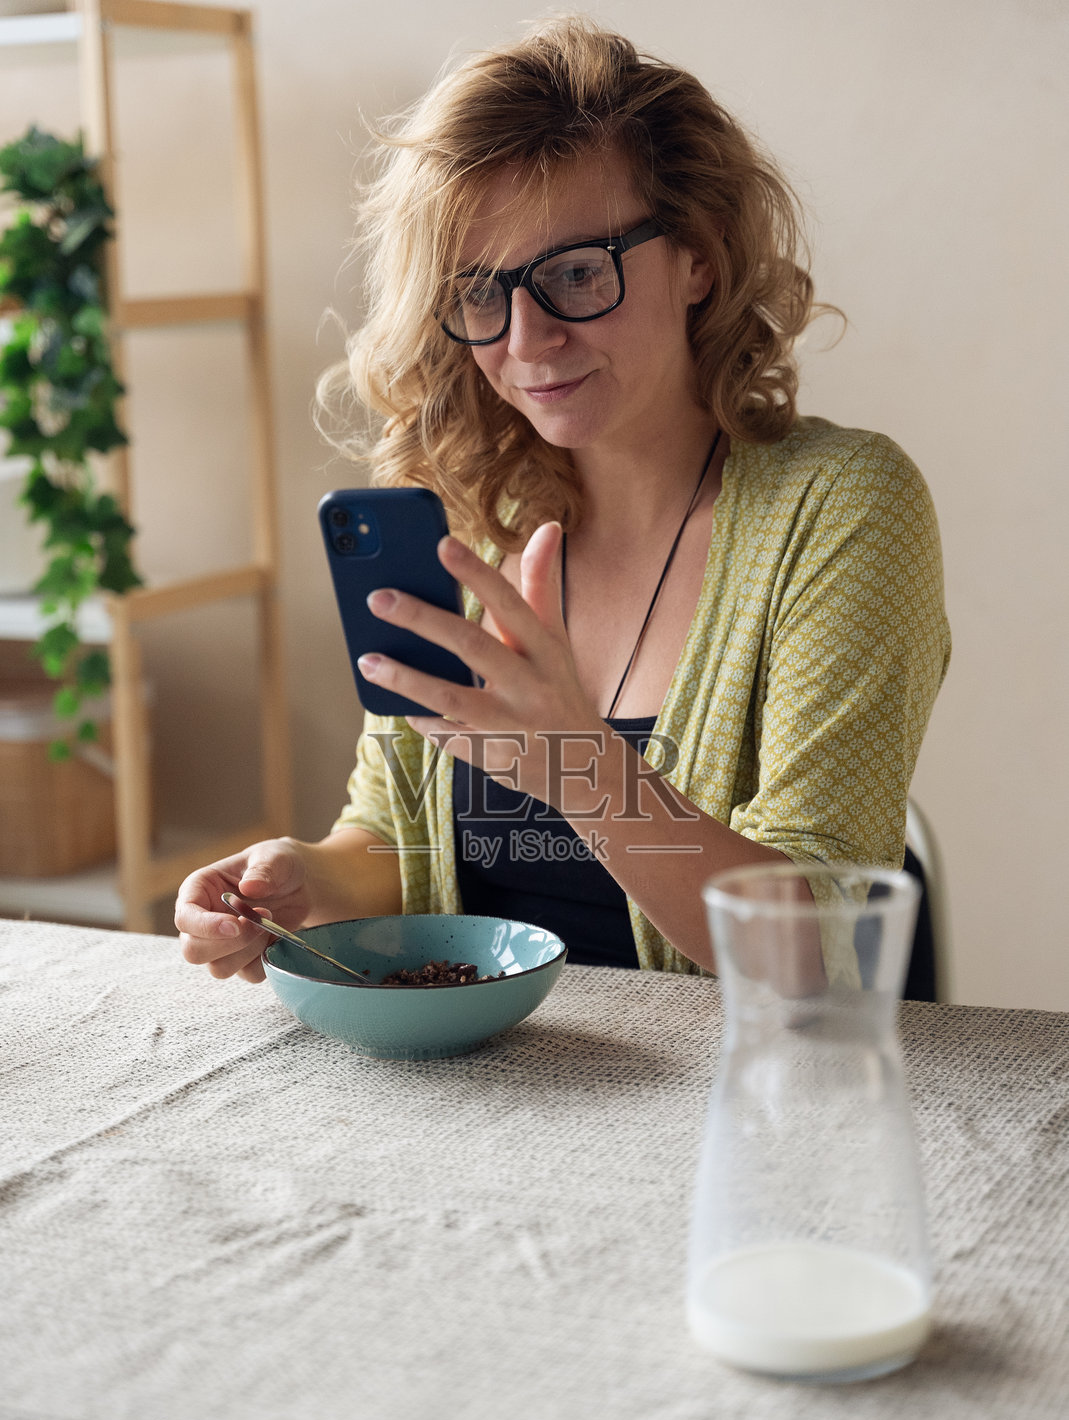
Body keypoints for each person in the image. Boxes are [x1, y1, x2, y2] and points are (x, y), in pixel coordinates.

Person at [175, 16, 950, 982]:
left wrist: (577, 765)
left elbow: (816, 939)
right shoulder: (465, 519)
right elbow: (393, 834)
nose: (525, 339)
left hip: (731, 1068)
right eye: (477, 292)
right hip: (493, 1067)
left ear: (699, 255)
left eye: (576, 273)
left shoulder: (840, 508)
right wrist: (302, 879)